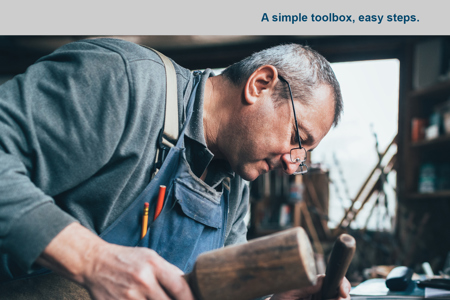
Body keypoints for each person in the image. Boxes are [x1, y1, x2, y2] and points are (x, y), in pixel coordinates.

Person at [0, 37, 349, 300]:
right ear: (260, 85)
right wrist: (91, 260)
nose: (292, 164)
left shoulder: (234, 183)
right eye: (297, 138)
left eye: (303, 154)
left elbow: (216, 290)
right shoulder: (124, 80)